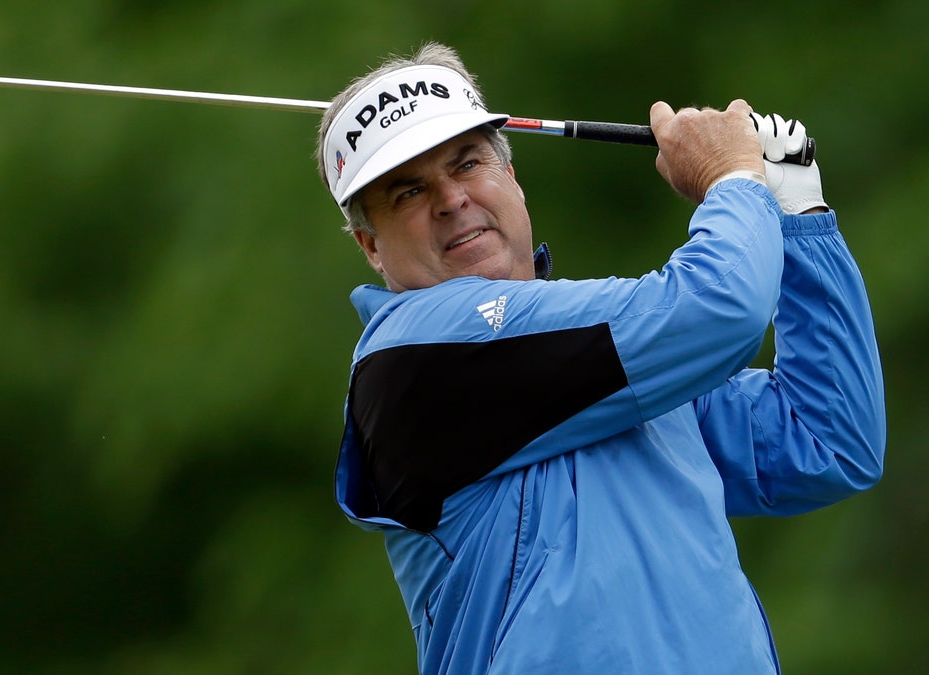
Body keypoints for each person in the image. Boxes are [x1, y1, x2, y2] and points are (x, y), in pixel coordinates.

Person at [316, 42, 885, 675]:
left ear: (512, 178)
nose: (450, 199)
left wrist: (798, 215)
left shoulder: (600, 362)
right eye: (408, 191)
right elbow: (718, 306)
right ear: (371, 246)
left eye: (468, 162)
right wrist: (733, 180)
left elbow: (825, 442)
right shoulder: (413, 356)